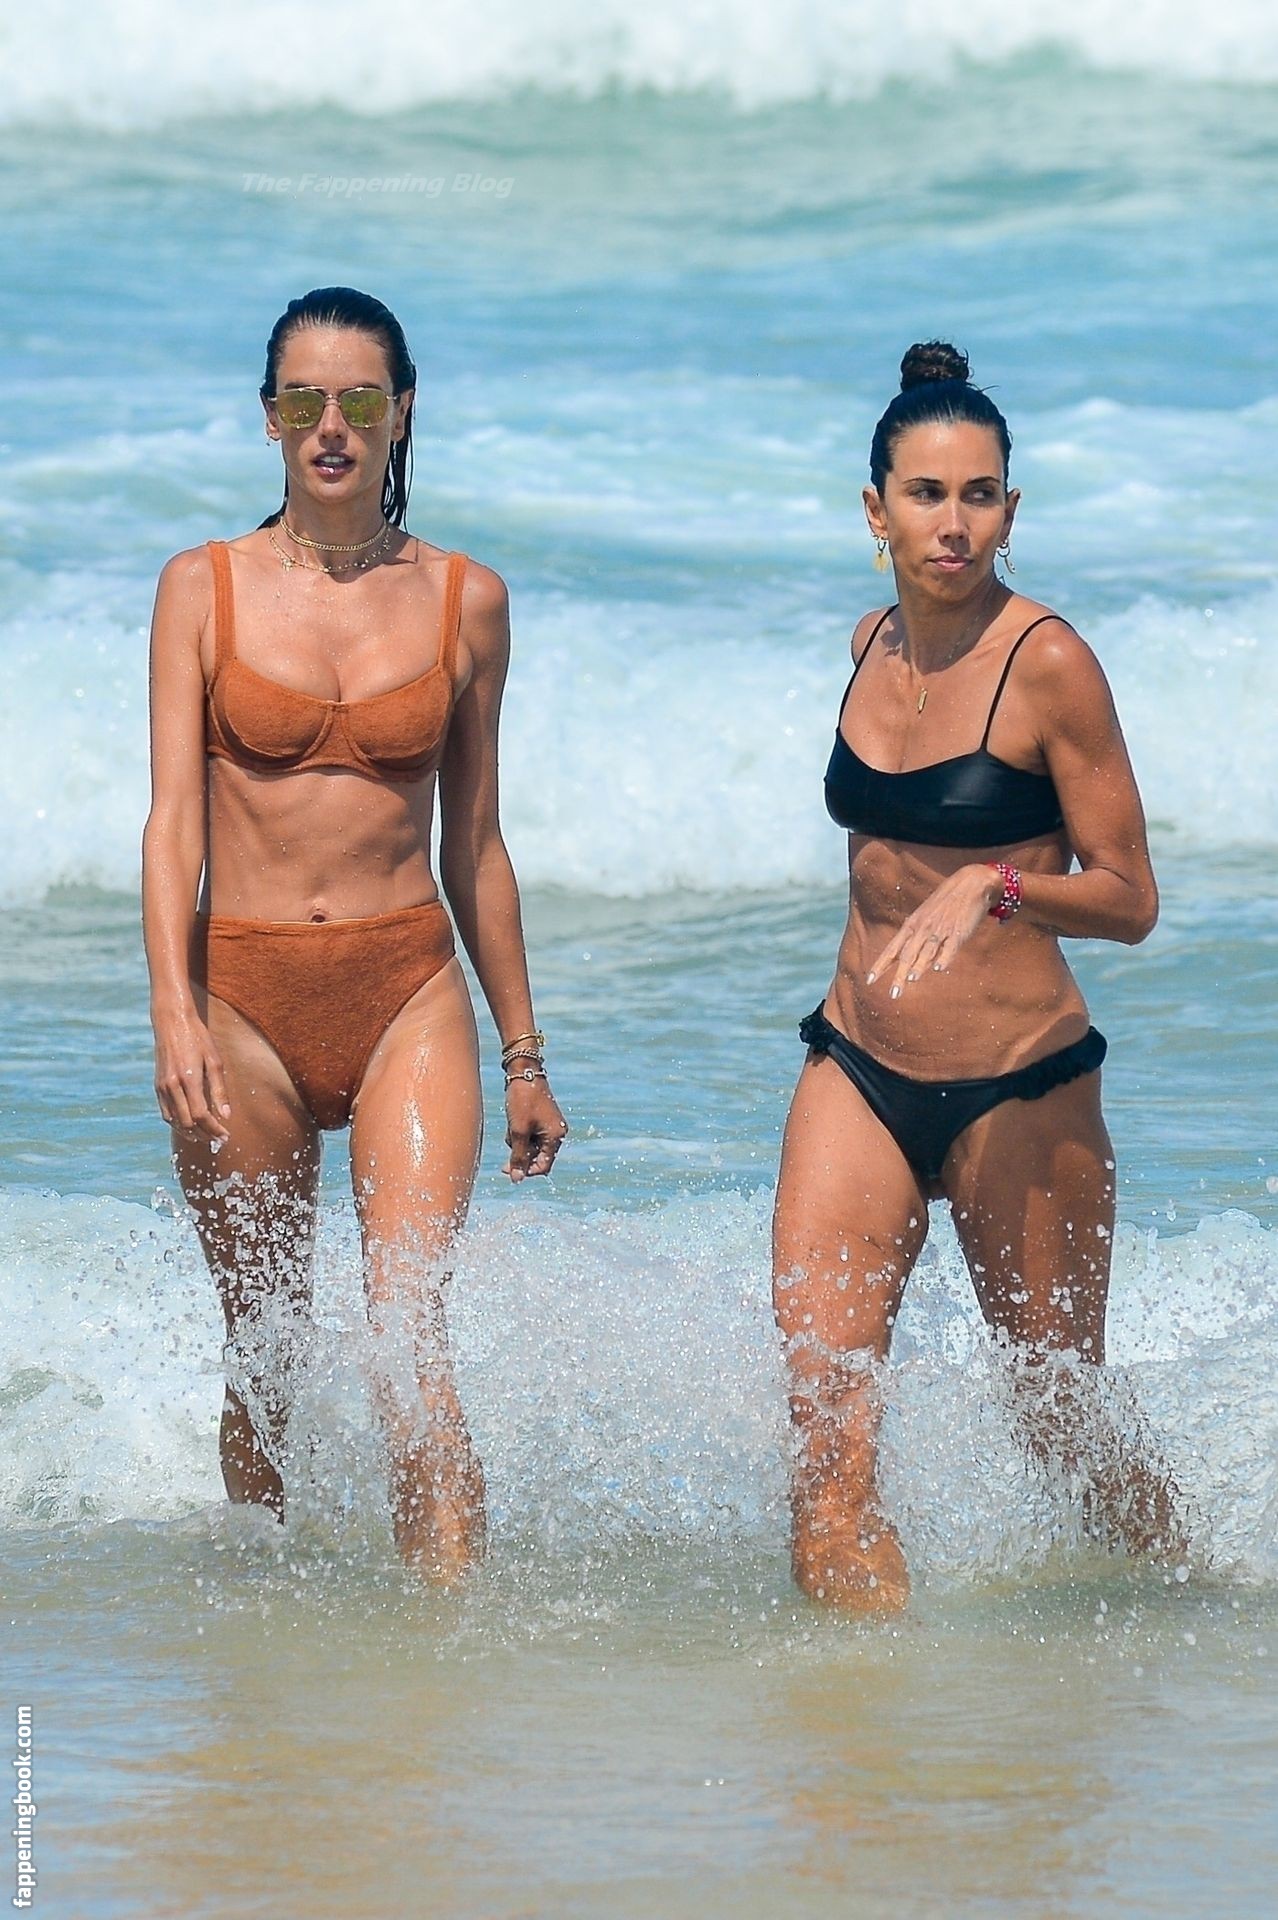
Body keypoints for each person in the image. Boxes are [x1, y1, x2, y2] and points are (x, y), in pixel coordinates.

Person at [142, 286, 566, 1585]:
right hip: (239, 1003)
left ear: (401, 413)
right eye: (305, 401)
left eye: (360, 400)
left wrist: (525, 1054)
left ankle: (442, 1637)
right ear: (270, 417)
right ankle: (268, 1646)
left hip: (405, 995)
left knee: (407, 1339)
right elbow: (172, 824)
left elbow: (476, 845)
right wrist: (171, 1011)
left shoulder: (466, 600)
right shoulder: (202, 587)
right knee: (263, 1350)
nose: (332, 426)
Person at [773, 341, 1177, 1614]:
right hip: (858, 1065)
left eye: (981, 495)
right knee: (824, 1444)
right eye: (928, 494)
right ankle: (856, 1724)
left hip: (1022, 1083)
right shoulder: (869, 642)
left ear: (1011, 508)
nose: (955, 524)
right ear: (876, 509)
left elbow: (1131, 898)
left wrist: (1002, 885)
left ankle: (1190, 1623)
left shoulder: (1049, 663)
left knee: (1062, 1427)